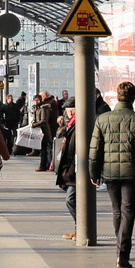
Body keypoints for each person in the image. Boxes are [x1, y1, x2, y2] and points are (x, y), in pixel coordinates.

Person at [89, 81, 135, 268]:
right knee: (128, 212)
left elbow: (94, 150)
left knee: (117, 210)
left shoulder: (102, 120)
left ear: (117, 97)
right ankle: (122, 254)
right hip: (132, 174)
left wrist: (94, 173)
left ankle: (120, 249)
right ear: (133, 98)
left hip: (110, 174)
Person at [55, 98, 79, 237]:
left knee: (70, 200)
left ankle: (80, 228)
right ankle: (79, 228)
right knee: (73, 199)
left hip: (76, 168)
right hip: (72, 168)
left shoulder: (77, 124)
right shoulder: (72, 124)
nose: (65, 112)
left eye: (67, 110)